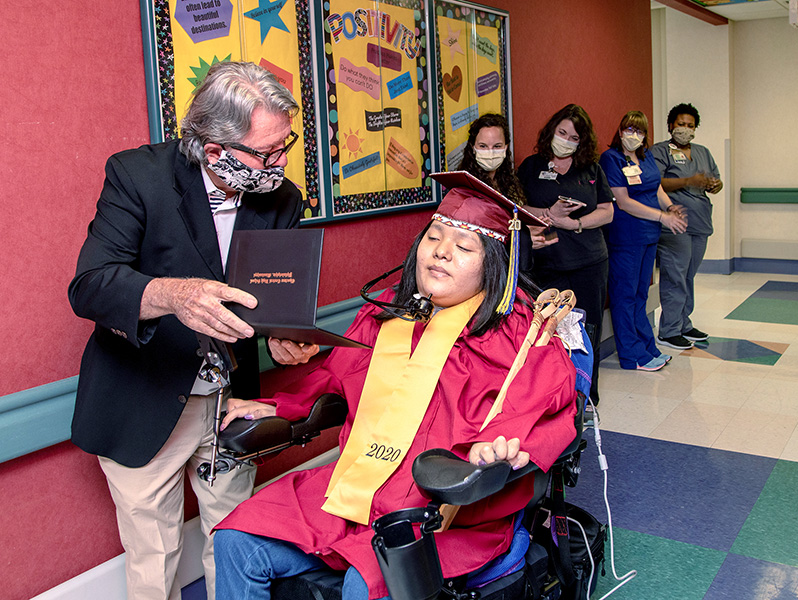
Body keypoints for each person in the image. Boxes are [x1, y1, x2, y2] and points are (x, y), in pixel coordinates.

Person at [213, 179, 579, 600]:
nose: (441, 251)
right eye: (435, 236)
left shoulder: (520, 338)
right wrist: (278, 407)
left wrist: (492, 449)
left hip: (445, 515)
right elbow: (335, 380)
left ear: (493, 263)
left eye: (464, 247)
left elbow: (550, 412)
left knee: (364, 582)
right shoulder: (385, 313)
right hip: (355, 490)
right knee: (236, 539)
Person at [68, 61, 319, 600]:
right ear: (213, 150)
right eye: (266, 152)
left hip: (230, 400)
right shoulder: (138, 177)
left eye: (285, 145)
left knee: (233, 536)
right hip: (144, 392)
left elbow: (269, 298)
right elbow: (90, 285)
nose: (281, 162)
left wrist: (280, 337)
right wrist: (171, 295)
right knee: (154, 554)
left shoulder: (283, 198)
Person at [518, 104, 614, 405]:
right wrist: (549, 213)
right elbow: (516, 207)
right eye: (561, 133)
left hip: (589, 263)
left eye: (574, 137)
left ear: (581, 142)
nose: (566, 140)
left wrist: (575, 223)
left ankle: (586, 397)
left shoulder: (590, 169)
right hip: (546, 265)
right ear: (551, 132)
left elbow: (608, 211)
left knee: (587, 332)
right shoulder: (531, 167)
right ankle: (552, 399)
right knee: (548, 333)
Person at [598, 111, 687, 372]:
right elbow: (623, 202)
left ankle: (647, 346)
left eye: (639, 131)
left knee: (640, 294)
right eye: (629, 129)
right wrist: (662, 217)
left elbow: (656, 188)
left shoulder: (645, 158)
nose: (634, 135)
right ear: (620, 130)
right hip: (627, 236)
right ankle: (632, 355)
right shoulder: (611, 158)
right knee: (624, 295)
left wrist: (671, 208)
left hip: (649, 236)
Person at [651, 103, 722, 350]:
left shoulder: (702, 151)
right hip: (675, 221)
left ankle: (683, 323)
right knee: (675, 274)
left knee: (688, 275)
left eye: (690, 126)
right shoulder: (660, 151)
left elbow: (716, 180)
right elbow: (655, 183)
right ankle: (669, 330)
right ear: (671, 125)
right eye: (681, 124)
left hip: (700, 221)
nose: (685, 130)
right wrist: (688, 181)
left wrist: (714, 185)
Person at [457, 113, 556, 268]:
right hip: (482, 269)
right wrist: (523, 240)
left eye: (497, 146)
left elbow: (509, 223)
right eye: (483, 146)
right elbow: (471, 238)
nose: (490, 152)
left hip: (512, 268)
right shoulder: (464, 186)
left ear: (506, 147)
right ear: (473, 147)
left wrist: (530, 228)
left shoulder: (509, 183)